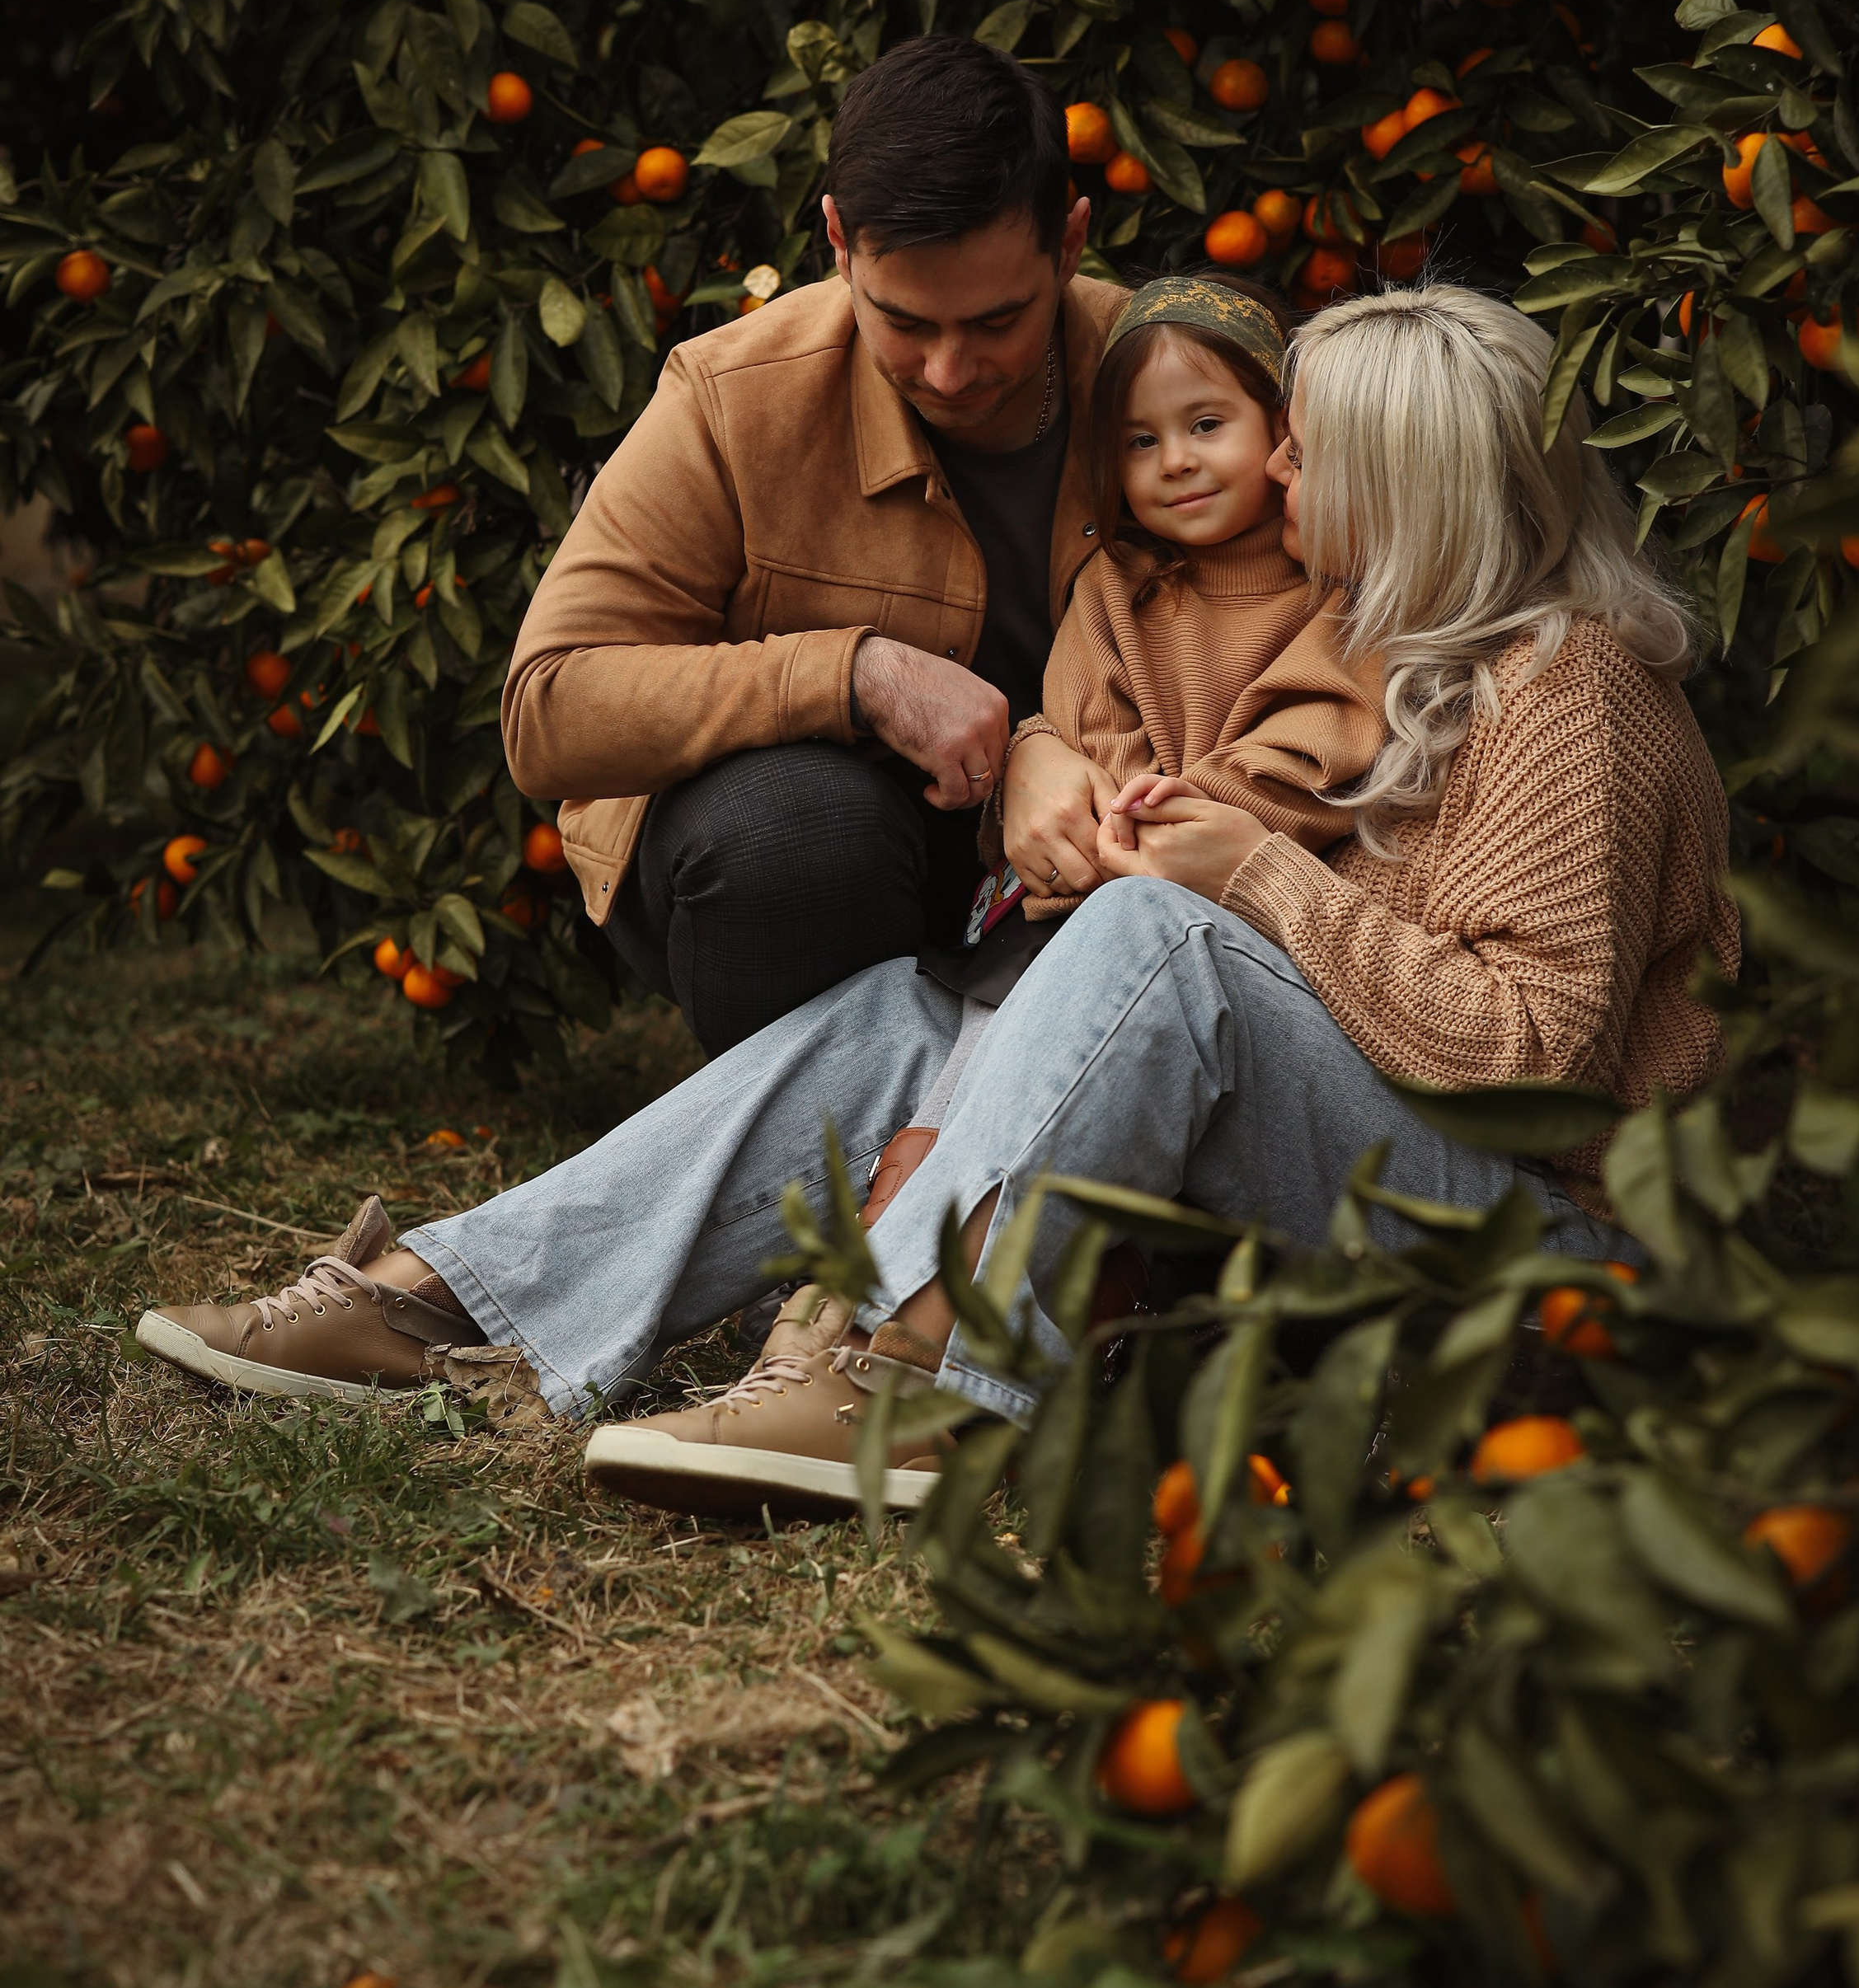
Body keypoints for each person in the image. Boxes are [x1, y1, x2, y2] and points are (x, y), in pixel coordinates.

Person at [136, 280, 1738, 1526]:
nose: (1274, 474)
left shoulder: (1564, 684)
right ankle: (452, 1303)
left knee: (1146, 938)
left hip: (1558, 1257)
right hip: (1407, 1174)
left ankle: (907, 1364)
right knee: (909, 1019)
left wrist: (1245, 880)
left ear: (1409, 490)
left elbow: (1533, 1055)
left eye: (1309, 453)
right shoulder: (1444, 670)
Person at [502, 32, 1128, 1053]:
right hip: (814, 861)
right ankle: (830, 1159)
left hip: (1085, 839)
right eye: (903, 322)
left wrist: (1057, 754)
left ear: (1069, 242)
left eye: (998, 323)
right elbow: (548, 708)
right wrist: (857, 675)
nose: (950, 370)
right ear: (837, 240)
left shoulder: (1171, 379)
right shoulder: (731, 395)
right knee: (796, 830)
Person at [993, 266, 1381, 926]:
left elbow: (1319, 750)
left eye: (1205, 424)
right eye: (1141, 441)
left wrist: (1177, 824)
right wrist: (1128, 825)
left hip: (1247, 909)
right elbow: (1086, 729)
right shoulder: (1117, 584)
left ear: (1281, 423)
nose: (1174, 460)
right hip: (1093, 895)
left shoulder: (1336, 584)